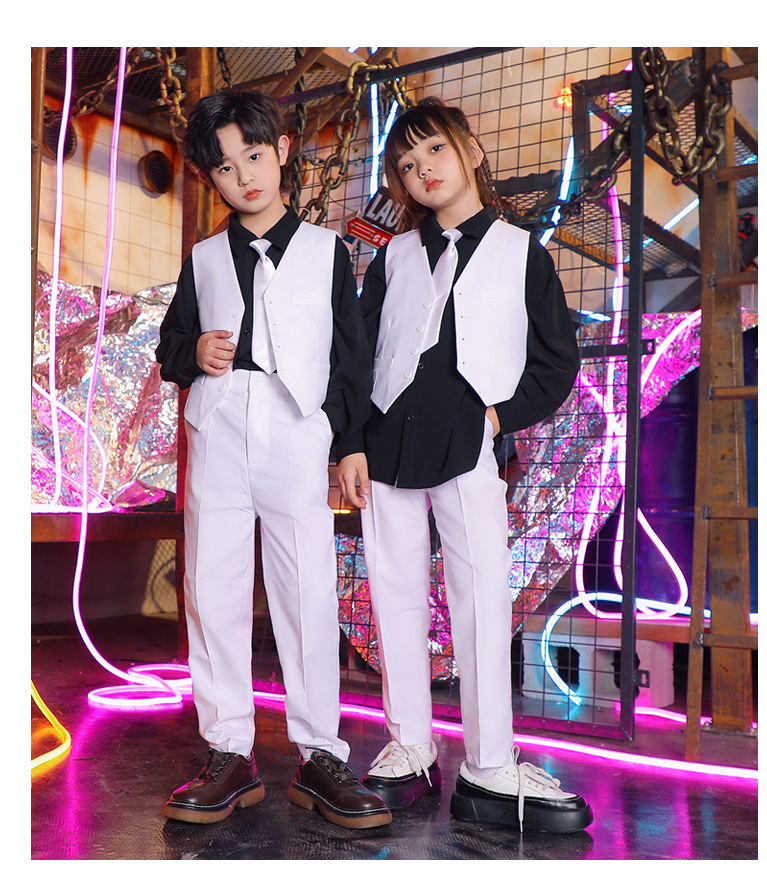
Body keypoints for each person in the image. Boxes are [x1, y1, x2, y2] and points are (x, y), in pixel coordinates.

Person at [336, 97, 592, 834]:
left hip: (470, 441)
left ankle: (488, 763)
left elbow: (555, 361)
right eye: (406, 164)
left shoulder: (523, 253)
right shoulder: (392, 257)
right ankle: (410, 746)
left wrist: (496, 418)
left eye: (434, 151)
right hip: (386, 440)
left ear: (471, 152)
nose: (421, 169)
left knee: (481, 595)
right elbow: (359, 355)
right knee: (393, 594)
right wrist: (349, 442)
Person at [156, 89, 390, 829]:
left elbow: (351, 357)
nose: (245, 177)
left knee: (308, 589)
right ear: (210, 179)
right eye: (225, 168)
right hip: (220, 426)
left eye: (254, 156)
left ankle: (321, 755)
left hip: (298, 428)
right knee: (212, 586)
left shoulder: (327, 253)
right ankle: (229, 751)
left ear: (283, 151)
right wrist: (193, 351)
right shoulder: (202, 259)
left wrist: (349, 443)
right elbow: (169, 348)